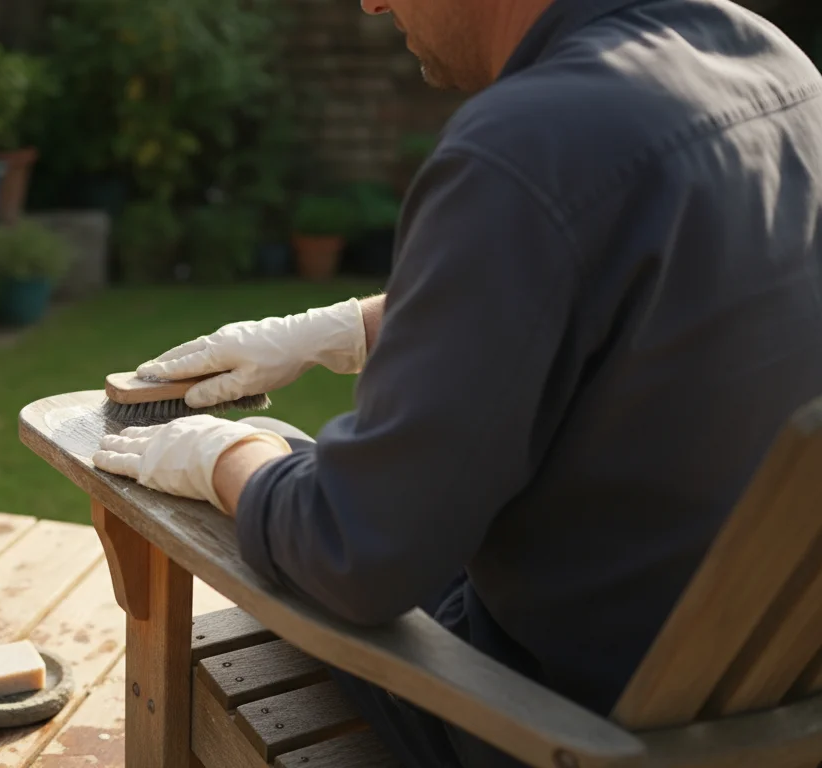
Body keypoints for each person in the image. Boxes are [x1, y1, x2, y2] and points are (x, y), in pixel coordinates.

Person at [89, 0, 822, 766]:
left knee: (239, 598)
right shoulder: (769, 61)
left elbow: (356, 551)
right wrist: (346, 328)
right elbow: (617, 282)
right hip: (753, 692)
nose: (369, 2)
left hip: (562, 722)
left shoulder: (527, 144)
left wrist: (226, 456)